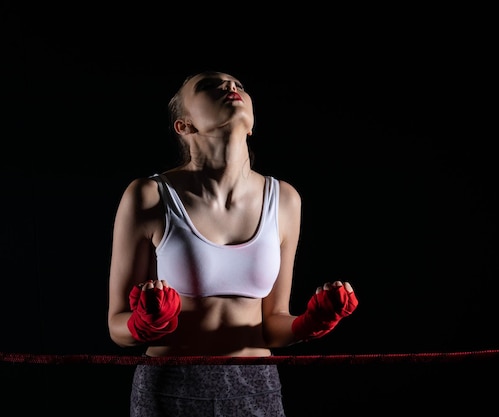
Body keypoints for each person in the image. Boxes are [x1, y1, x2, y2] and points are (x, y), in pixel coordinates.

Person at [107, 70, 358, 416]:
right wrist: (143, 323)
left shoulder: (284, 200)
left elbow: (273, 324)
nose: (230, 87)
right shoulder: (148, 196)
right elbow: (116, 327)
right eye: (211, 85)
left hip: (256, 387)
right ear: (185, 126)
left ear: (251, 125)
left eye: (238, 85)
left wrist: (311, 323)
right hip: (171, 387)